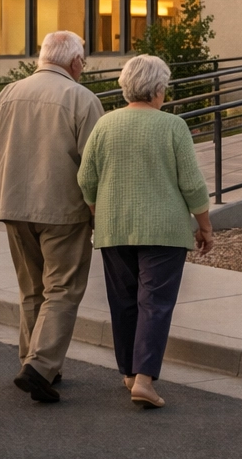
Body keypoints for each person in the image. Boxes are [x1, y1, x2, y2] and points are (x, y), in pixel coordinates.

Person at [0, 30, 104, 404]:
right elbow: (94, 167)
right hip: (64, 211)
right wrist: (100, 215)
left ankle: (35, 362)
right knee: (62, 289)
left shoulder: (7, 95)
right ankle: (40, 366)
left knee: (32, 290)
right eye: (84, 62)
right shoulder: (82, 99)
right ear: (75, 62)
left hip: (14, 209)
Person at [77, 54, 213, 409]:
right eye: (164, 87)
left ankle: (128, 372)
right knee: (155, 303)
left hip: (114, 227)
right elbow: (193, 186)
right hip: (164, 231)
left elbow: (85, 179)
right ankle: (145, 379)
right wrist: (205, 227)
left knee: (123, 302)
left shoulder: (105, 125)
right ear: (156, 89)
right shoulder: (173, 127)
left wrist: (99, 211)